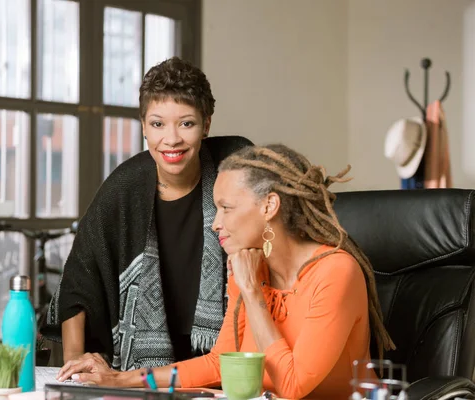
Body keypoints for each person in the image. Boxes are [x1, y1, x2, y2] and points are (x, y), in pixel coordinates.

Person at [58, 144, 396, 399]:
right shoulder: (249, 268)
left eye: (226, 208)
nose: (216, 223)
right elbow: (218, 364)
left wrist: (252, 293)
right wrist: (120, 379)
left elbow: (293, 386)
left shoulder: (335, 272)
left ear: (270, 206)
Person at [47, 56, 253, 375]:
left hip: (230, 359)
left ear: (206, 124)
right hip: (142, 369)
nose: (171, 139)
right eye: (157, 124)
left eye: (186, 123)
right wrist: (74, 372)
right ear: (143, 126)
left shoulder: (235, 166)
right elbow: (77, 280)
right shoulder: (125, 184)